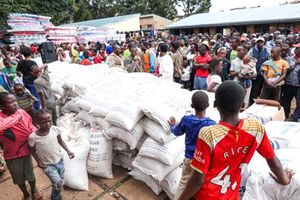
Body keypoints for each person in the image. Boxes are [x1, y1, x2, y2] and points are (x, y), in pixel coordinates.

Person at [178, 81, 294, 200]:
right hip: (231, 195)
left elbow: (198, 179)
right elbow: (272, 159)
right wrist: (284, 179)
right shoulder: (255, 128)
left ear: (215, 104)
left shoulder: (209, 134)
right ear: (243, 104)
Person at [168, 91, 216, 200]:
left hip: (189, 159)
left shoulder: (187, 120)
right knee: (199, 185)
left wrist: (173, 126)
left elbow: (177, 132)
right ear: (208, 105)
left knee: (183, 183)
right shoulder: (211, 124)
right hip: (203, 162)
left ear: (192, 106)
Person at [0, 92, 42, 200]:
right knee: (19, 179)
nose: (15, 103)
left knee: (30, 174)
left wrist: (35, 133)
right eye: (11, 102)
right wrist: (16, 117)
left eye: (15, 100)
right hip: (12, 155)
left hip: (26, 151)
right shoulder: (1, 118)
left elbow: (30, 125)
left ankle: (33, 190)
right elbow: (1, 127)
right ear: (1, 106)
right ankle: (26, 193)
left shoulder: (22, 112)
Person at [29, 109, 74, 200]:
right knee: (58, 183)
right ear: (37, 122)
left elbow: (60, 141)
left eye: (49, 121)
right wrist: (38, 161)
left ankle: (55, 196)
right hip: (47, 165)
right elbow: (31, 150)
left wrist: (68, 151)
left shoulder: (55, 129)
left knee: (59, 181)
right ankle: (56, 197)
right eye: (43, 122)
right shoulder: (33, 137)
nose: (48, 124)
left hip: (59, 160)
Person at [280, 43, 300, 121]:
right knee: (286, 101)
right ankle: (285, 115)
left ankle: (295, 117)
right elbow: (286, 69)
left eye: (297, 48)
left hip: (298, 86)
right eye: (295, 48)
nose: (295, 49)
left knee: (299, 103)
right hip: (288, 84)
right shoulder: (290, 59)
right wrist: (295, 63)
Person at [248, 37, 270, 106]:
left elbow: (269, 60)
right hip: (253, 73)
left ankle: (256, 102)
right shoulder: (252, 50)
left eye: (261, 42)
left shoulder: (266, 50)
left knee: (259, 89)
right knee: (253, 89)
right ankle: (251, 103)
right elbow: (248, 59)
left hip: (262, 73)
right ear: (256, 43)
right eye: (258, 42)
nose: (260, 43)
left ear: (264, 43)